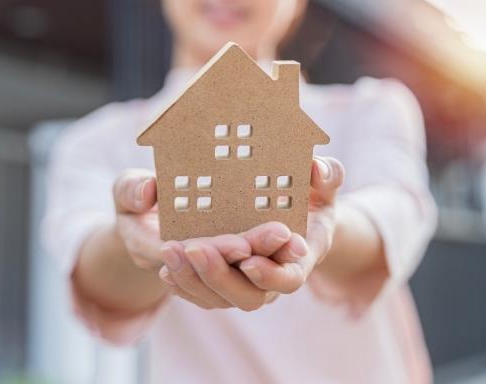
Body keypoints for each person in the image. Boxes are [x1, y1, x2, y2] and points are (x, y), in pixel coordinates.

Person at [43, 0, 437, 382]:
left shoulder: (371, 107)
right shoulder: (95, 141)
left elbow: (395, 212)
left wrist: (325, 225)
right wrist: (133, 239)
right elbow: (90, 270)